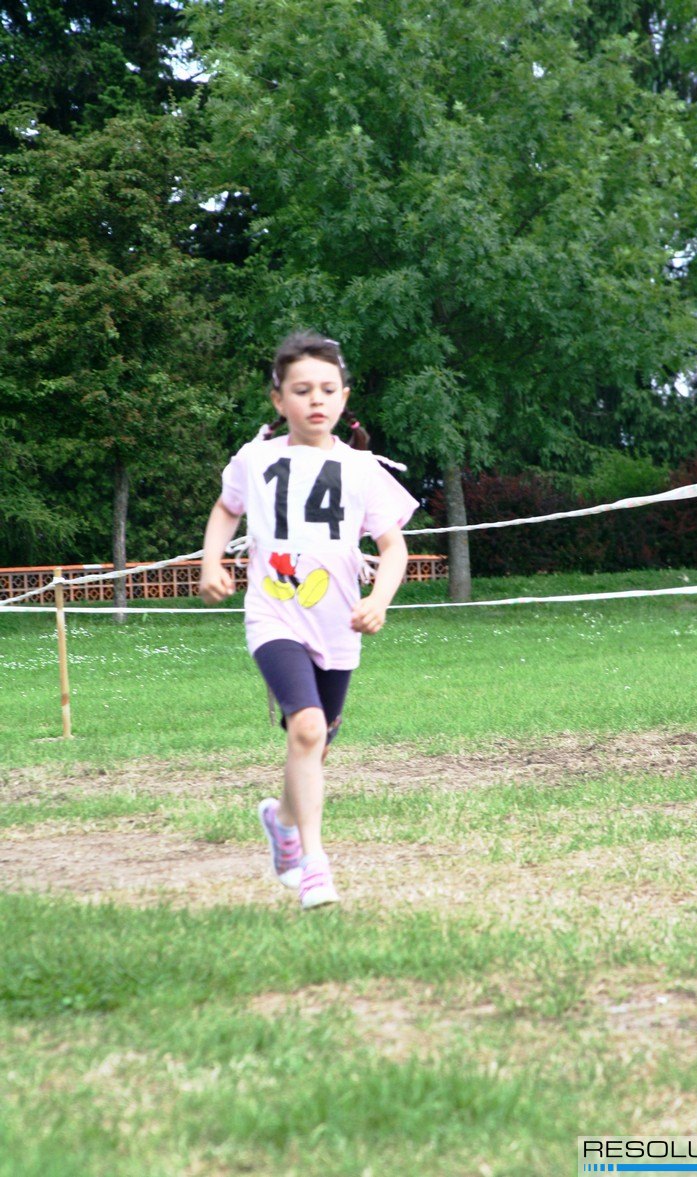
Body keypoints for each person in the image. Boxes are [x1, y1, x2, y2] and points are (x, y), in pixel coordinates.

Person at [199, 331, 418, 909]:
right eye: (301, 390)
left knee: (315, 745)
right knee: (307, 727)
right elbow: (225, 509)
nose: (315, 399)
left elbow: (393, 548)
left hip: (339, 623)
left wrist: (380, 600)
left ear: (344, 397)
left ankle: (283, 822)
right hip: (273, 614)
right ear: (278, 399)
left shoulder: (362, 468)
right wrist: (211, 562)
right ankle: (315, 865)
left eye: (327, 389)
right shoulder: (256, 459)